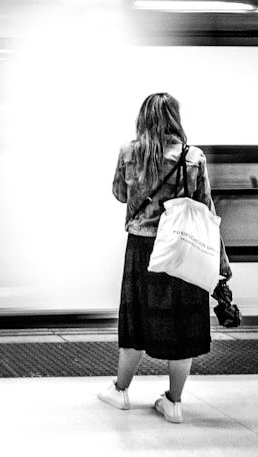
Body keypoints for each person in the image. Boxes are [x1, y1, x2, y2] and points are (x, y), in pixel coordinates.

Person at [99, 92, 231, 424]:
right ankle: (173, 402)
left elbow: (118, 193)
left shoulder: (129, 153)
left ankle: (120, 390)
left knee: (136, 322)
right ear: (175, 118)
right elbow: (206, 208)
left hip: (143, 249)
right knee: (182, 325)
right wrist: (221, 266)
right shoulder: (193, 157)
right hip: (183, 248)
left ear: (143, 118)